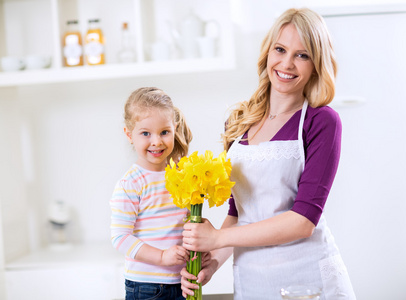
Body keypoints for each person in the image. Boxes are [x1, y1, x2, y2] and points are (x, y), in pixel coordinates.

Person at [181, 8, 356, 300]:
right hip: (253, 282)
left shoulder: (321, 122)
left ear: (316, 64)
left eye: (302, 55)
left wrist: (217, 237)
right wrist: (212, 262)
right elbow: (239, 214)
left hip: (310, 282)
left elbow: (303, 221)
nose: (287, 63)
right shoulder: (239, 121)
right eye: (280, 49)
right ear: (268, 52)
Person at [110, 87, 195, 300]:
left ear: (174, 129)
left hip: (182, 281)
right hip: (146, 286)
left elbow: (185, 225)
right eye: (146, 133)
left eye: (164, 132)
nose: (156, 141)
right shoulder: (131, 183)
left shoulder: (181, 176)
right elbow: (120, 237)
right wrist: (162, 256)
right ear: (129, 135)